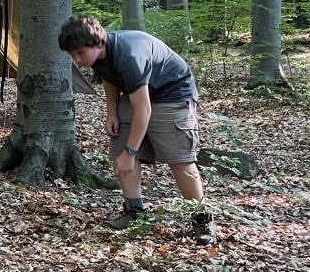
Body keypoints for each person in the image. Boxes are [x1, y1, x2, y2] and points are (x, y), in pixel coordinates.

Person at [58, 15, 213, 244]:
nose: (77, 59)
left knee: (179, 159)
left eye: (80, 53)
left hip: (172, 95)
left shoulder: (129, 55)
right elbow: (109, 78)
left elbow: (144, 110)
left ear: (97, 42)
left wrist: (131, 153)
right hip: (139, 96)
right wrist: (112, 112)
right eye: (72, 54)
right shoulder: (99, 56)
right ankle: (134, 211)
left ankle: (202, 220)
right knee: (121, 144)